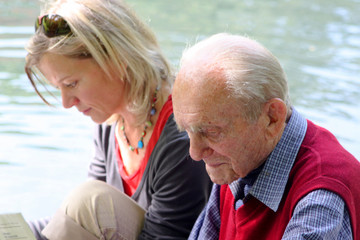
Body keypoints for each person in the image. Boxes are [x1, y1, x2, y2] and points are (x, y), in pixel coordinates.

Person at [24, 0, 212, 239]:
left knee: (90, 201)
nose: (66, 102)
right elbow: (74, 223)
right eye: (58, 88)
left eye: (71, 84)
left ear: (117, 60)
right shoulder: (110, 123)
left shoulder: (182, 137)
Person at [172, 33, 360, 239]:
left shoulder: (321, 197)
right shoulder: (234, 161)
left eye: (212, 132)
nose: (195, 153)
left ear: (272, 117)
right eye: (188, 130)